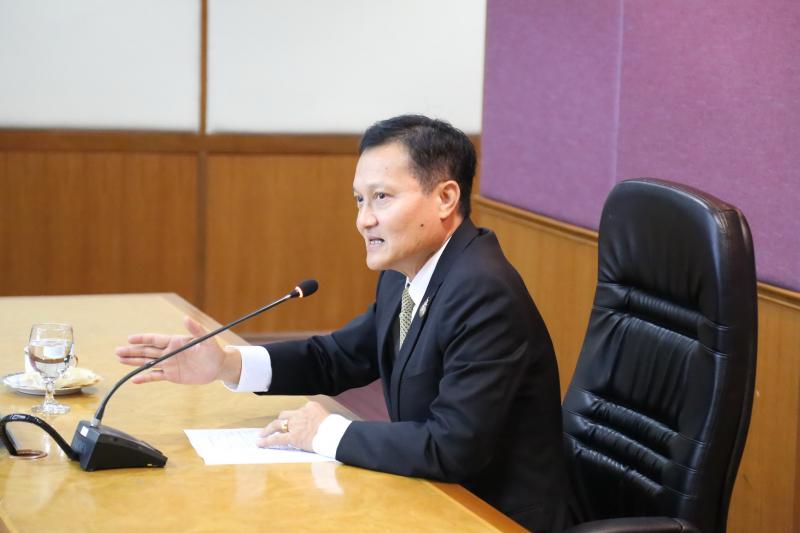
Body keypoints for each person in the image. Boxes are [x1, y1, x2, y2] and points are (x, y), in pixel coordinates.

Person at [116, 115, 570, 531]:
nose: (363, 220)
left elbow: (452, 447)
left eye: (382, 198)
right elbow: (336, 358)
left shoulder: (483, 292)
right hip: (431, 497)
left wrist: (325, 432)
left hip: (492, 517)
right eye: (359, 200)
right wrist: (226, 363)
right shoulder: (408, 273)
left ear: (445, 198)